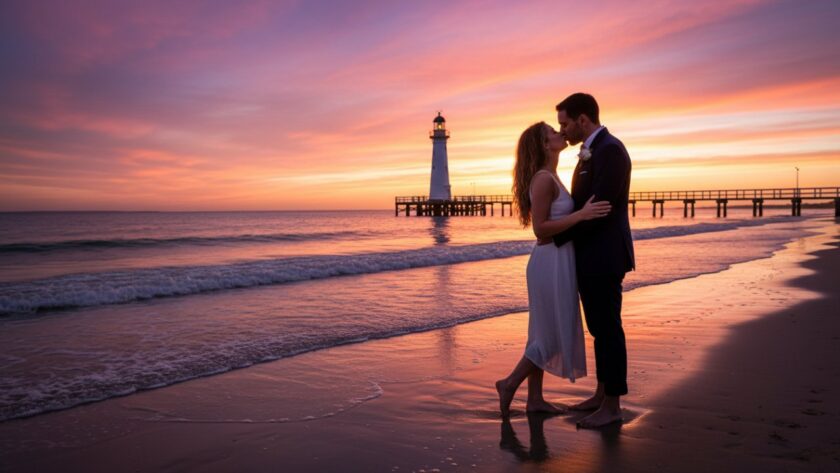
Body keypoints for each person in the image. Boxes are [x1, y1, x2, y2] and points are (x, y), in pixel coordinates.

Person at [495, 122, 611, 417]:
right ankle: (509, 384)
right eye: (553, 133)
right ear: (545, 145)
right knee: (550, 336)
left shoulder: (551, 176)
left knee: (542, 332)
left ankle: (535, 399)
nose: (561, 133)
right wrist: (582, 215)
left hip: (556, 260)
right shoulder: (544, 179)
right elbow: (541, 230)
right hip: (549, 261)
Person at [553, 93, 635, 428]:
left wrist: (555, 236)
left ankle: (613, 406)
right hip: (591, 255)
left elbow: (600, 209)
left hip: (605, 254)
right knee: (598, 328)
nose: (564, 130)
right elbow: (584, 206)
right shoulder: (592, 151)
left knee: (608, 329)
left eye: (565, 123)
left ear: (582, 119)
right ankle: (601, 394)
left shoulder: (610, 150)